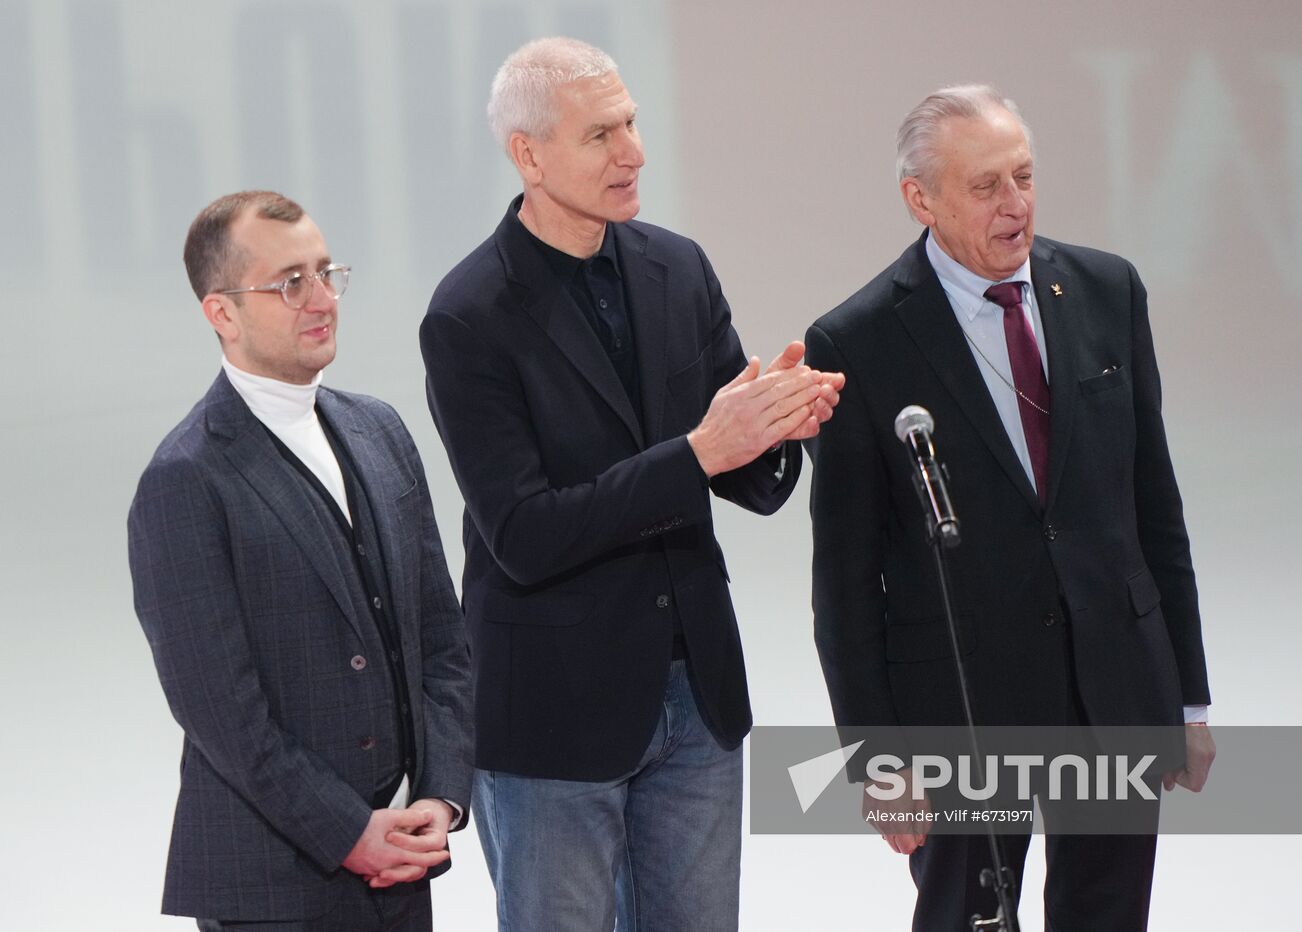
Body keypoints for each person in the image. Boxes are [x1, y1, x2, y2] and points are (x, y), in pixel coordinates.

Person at [419, 36, 842, 932]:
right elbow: (525, 535)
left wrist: (779, 428)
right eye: (601, 133)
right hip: (554, 712)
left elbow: (753, 485)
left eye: (634, 123)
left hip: (696, 698)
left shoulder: (675, 267)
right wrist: (698, 452)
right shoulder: (468, 316)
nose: (634, 153)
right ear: (528, 154)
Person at [804, 86, 1214, 930]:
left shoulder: (1107, 290)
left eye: (1023, 176)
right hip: (959, 708)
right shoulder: (858, 341)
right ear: (921, 198)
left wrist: (1188, 698)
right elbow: (844, 581)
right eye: (985, 185)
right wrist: (875, 757)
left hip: (1115, 690)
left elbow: (1153, 504)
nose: (1015, 204)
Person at [128, 190, 473, 931]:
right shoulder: (184, 479)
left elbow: (444, 642)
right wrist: (349, 833)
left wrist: (440, 797)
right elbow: (222, 713)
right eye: (291, 283)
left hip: (402, 866)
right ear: (221, 313)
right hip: (270, 887)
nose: (321, 299)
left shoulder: (380, 431)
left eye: (326, 272)